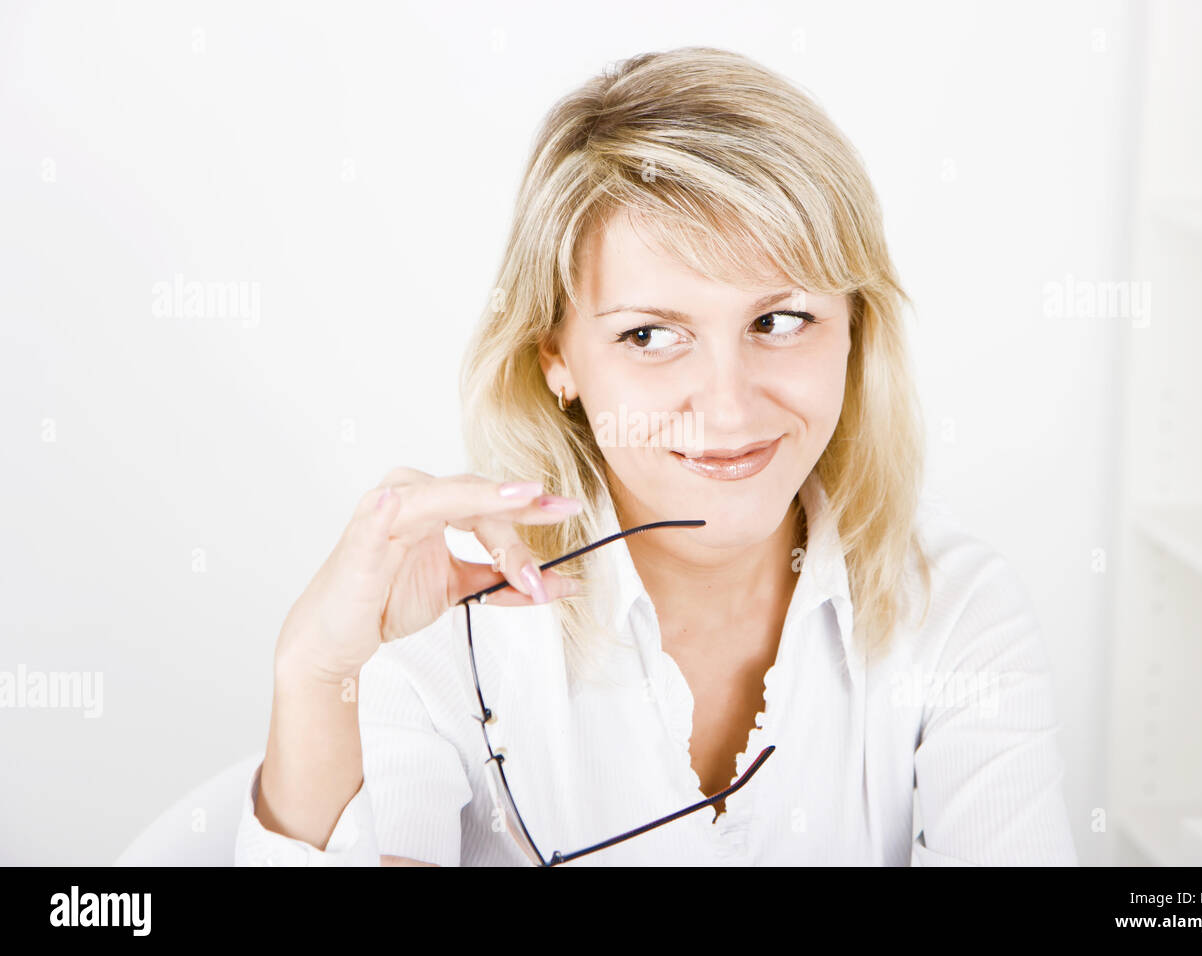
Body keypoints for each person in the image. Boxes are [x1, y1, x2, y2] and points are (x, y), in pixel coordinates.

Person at [235, 46, 1078, 866]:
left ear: (856, 332)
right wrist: (314, 672)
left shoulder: (956, 608)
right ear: (554, 356)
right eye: (650, 335)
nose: (728, 404)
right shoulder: (429, 614)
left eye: (780, 321)